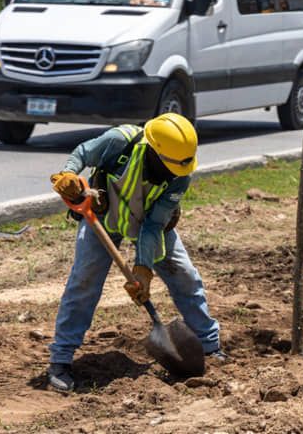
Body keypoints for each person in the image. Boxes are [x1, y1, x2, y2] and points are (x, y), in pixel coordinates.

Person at [46, 113, 223, 393]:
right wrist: (69, 173)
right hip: (104, 218)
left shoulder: (180, 175)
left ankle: (210, 347)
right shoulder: (121, 142)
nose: (175, 174)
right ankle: (60, 360)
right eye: (170, 167)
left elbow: (153, 225)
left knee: (185, 276)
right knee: (84, 281)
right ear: (155, 151)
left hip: (152, 224)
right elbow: (83, 152)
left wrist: (143, 268)